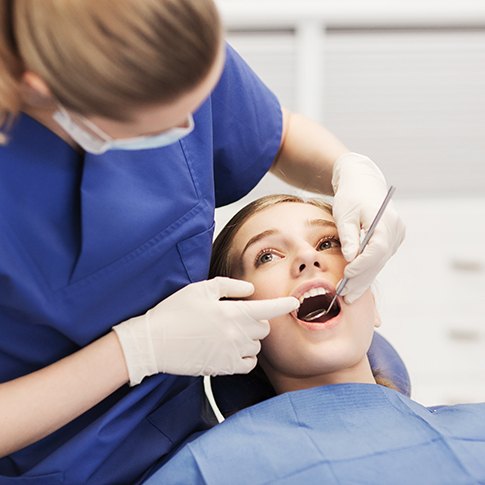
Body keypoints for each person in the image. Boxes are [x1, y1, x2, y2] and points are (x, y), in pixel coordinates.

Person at [0, 1, 405, 483]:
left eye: (328, 243)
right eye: (267, 254)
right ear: (40, 90)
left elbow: (275, 136)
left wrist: (348, 168)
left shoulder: (159, 31)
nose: (190, 130)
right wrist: (136, 351)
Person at [147, 194, 485, 484]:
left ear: (374, 305)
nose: (308, 258)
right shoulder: (204, 470)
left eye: (328, 243)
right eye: (267, 256)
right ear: (235, 324)